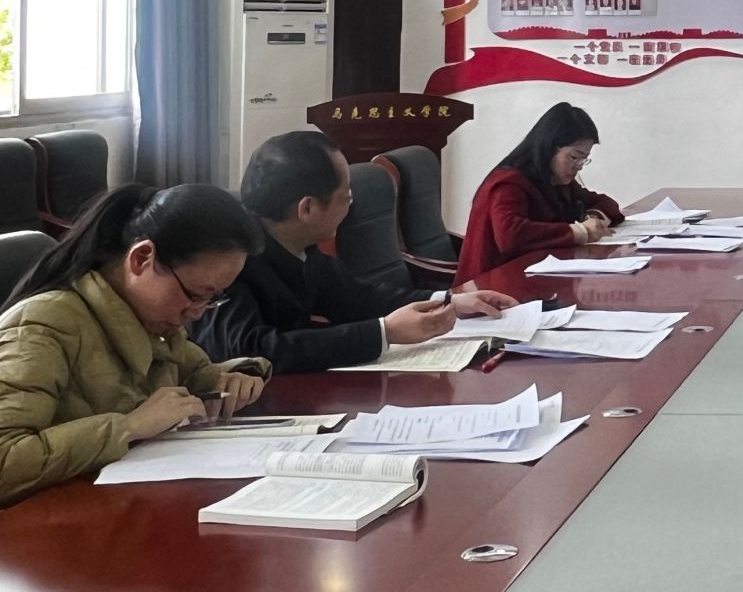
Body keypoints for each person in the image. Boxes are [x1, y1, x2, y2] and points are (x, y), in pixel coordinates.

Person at [0, 184, 272, 507]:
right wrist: (129, 427)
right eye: (195, 294)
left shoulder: (149, 317)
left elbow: (195, 372)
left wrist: (231, 378)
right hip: (40, 525)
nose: (197, 312)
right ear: (141, 258)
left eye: (212, 298)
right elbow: (5, 460)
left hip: (111, 506)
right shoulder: (42, 327)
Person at [190, 132, 519, 374]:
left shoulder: (298, 245)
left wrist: (449, 302)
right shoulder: (228, 257)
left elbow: (359, 298)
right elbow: (251, 351)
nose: (351, 205)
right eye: (346, 197)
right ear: (307, 208)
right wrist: (385, 332)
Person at [456, 103, 624, 283]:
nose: (578, 166)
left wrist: (593, 218)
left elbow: (606, 203)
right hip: (489, 285)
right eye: (574, 157)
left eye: (584, 159)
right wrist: (579, 231)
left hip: (537, 278)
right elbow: (510, 236)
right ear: (549, 148)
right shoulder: (509, 182)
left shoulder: (557, 181)